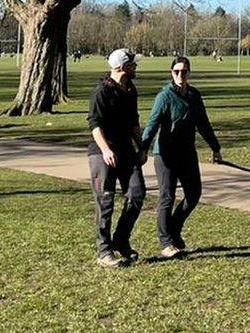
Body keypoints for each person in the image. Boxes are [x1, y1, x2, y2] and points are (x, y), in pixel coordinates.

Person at [141, 56, 223, 258]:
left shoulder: (194, 95)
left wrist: (215, 148)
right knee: (166, 196)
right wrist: (142, 148)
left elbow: (203, 123)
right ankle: (166, 242)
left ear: (189, 73)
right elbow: (152, 124)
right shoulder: (165, 96)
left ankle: (174, 228)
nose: (180, 75)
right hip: (166, 154)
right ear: (171, 73)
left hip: (187, 153)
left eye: (184, 72)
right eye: (176, 72)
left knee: (194, 194)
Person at [87, 49, 146, 268]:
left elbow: (133, 124)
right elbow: (95, 124)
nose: (136, 68)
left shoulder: (131, 90)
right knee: (105, 201)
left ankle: (121, 239)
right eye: (133, 64)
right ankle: (104, 251)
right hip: (102, 153)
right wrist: (105, 150)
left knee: (137, 193)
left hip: (126, 152)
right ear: (121, 67)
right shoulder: (102, 91)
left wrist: (142, 147)